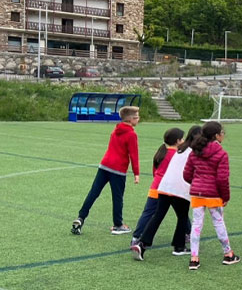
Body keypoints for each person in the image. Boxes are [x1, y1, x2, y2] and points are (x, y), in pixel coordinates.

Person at [131, 125, 201, 260]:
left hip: (163, 187)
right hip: (179, 189)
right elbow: (190, 172)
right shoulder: (193, 152)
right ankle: (179, 247)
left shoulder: (180, 150)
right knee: (182, 217)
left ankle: (141, 244)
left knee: (157, 216)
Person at [71, 106, 141, 236]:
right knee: (117, 197)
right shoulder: (131, 134)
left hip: (104, 165)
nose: (138, 119)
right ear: (131, 119)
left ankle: (80, 218)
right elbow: (134, 154)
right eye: (137, 117)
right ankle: (118, 225)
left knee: (93, 193)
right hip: (118, 169)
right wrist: (136, 173)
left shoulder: (115, 131)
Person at [183, 121, 239, 270]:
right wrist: (225, 197)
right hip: (214, 194)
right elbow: (222, 179)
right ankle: (228, 254)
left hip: (197, 194)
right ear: (216, 135)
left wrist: (196, 183)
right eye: (222, 133)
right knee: (218, 222)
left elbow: (187, 174)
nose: (223, 135)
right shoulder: (221, 154)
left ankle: (194, 258)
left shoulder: (195, 151)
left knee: (196, 225)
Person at [131, 128, 184, 246]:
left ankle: (136, 237)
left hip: (156, 187)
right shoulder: (177, 155)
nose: (184, 140)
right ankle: (187, 234)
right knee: (182, 213)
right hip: (170, 189)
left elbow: (155, 171)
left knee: (148, 213)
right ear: (177, 141)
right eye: (182, 138)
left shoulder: (161, 152)